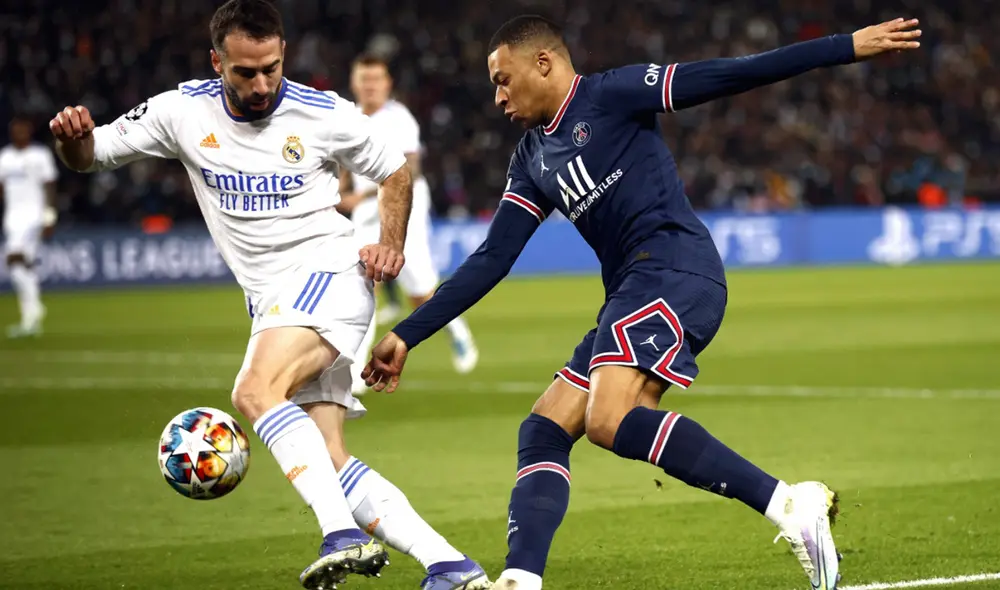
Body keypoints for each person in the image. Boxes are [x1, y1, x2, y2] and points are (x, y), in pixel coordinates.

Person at [362, 14, 922, 590]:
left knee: (609, 420)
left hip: (677, 269)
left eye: (504, 79)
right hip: (632, 290)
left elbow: (732, 74)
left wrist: (843, 47)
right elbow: (492, 259)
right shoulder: (531, 158)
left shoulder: (613, 95)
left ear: (544, 63)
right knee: (545, 427)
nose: (498, 96)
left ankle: (788, 506)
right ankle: (522, 579)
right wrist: (408, 333)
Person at [46, 1, 489, 589]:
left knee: (254, 390)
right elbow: (91, 155)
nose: (261, 85)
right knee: (329, 460)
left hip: (330, 274)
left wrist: (390, 243)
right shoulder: (181, 110)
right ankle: (452, 567)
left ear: (284, 55)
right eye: (245, 73)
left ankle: (341, 536)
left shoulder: (322, 111)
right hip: (273, 301)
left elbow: (395, 170)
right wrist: (71, 139)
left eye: (271, 69)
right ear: (217, 63)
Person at [338, 54, 478, 396]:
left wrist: (362, 195)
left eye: (376, 79)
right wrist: (341, 194)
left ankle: (457, 331)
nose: (370, 86)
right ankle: (355, 368)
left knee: (421, 292)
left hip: (405, 205)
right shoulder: (344, 118)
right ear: (355, 83)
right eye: (364, 79)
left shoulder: (399, 119)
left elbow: (410, 171)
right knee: (362, 280)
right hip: (365, 210)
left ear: (387, 84)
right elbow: (341, 168)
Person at [0, 115, 58, 338]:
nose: (19, 133)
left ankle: (33, 312)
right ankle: (31, 316)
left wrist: (49, 217)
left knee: (14, 258)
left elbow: (50, 186)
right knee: (21, 268)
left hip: (33, 216)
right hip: (12, 218)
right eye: (16, 130)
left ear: (29, 131)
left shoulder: (40, 155)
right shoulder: (4, 157)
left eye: (23, 129)